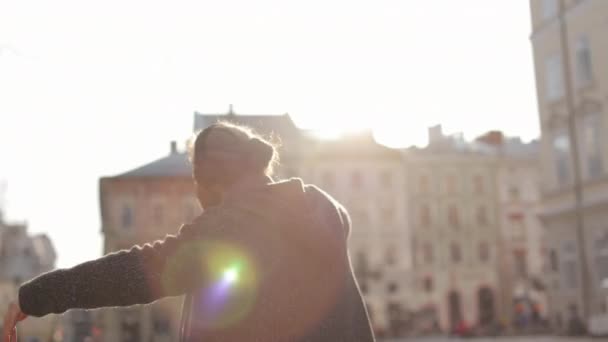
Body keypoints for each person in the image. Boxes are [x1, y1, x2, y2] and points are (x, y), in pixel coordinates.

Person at [2, 122, 376, 342]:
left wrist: (35, 297)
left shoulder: (233, 225)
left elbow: (138, 272)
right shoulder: (323, 209)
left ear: (206, 182)